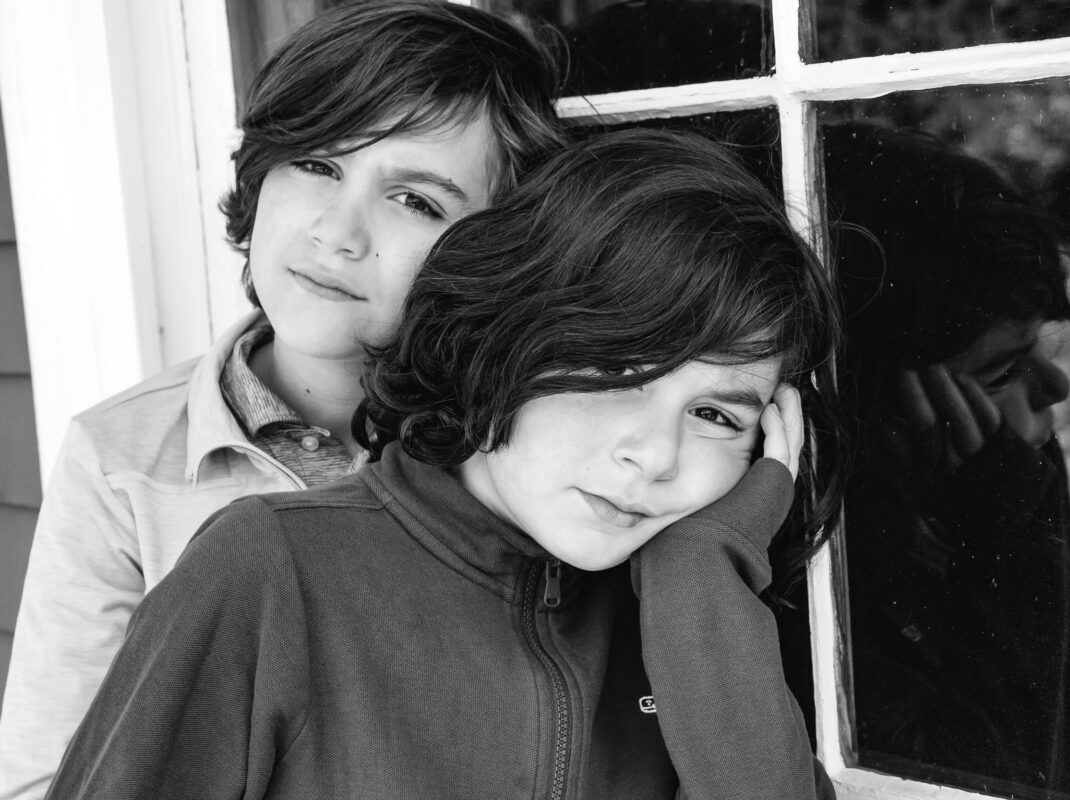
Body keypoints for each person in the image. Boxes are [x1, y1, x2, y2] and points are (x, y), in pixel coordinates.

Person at [43, 129, 841, 799]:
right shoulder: (269, 571)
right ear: (498, 341)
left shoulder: (681, 617)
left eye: (714, 416)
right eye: (611, 376)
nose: (653, 456)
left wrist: (703, 585)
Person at [0, 4, 562, 798]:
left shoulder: (523, 456)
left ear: (495, 249)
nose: (339, 233)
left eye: (417, 201)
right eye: (319, 166)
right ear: (261, 171)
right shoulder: (120, 461)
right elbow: (52, 779)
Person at [812, 120, 1070, 798]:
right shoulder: (825, 580)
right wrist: (1008, 516)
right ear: (884, 400)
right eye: (1002, 367)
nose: (1056, 387)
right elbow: (1022, 774)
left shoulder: (1004, 471)